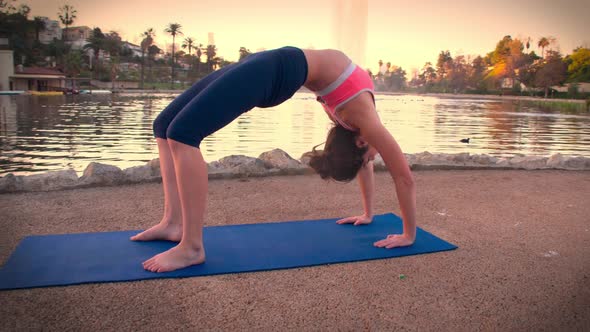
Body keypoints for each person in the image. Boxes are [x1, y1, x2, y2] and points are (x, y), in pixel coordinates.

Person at [131, 46, 416, 273]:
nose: (373, 160)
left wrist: (386, 224)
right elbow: (404, 177)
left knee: (183, 133)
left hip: (276, 69)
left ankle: (191, 246)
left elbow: (366, 164)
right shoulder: (365, 123)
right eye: (371, 158)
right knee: (164, 125)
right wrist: (402, 230)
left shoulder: (359, 122)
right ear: (362, 142)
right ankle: (173, 223)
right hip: (275, 65)